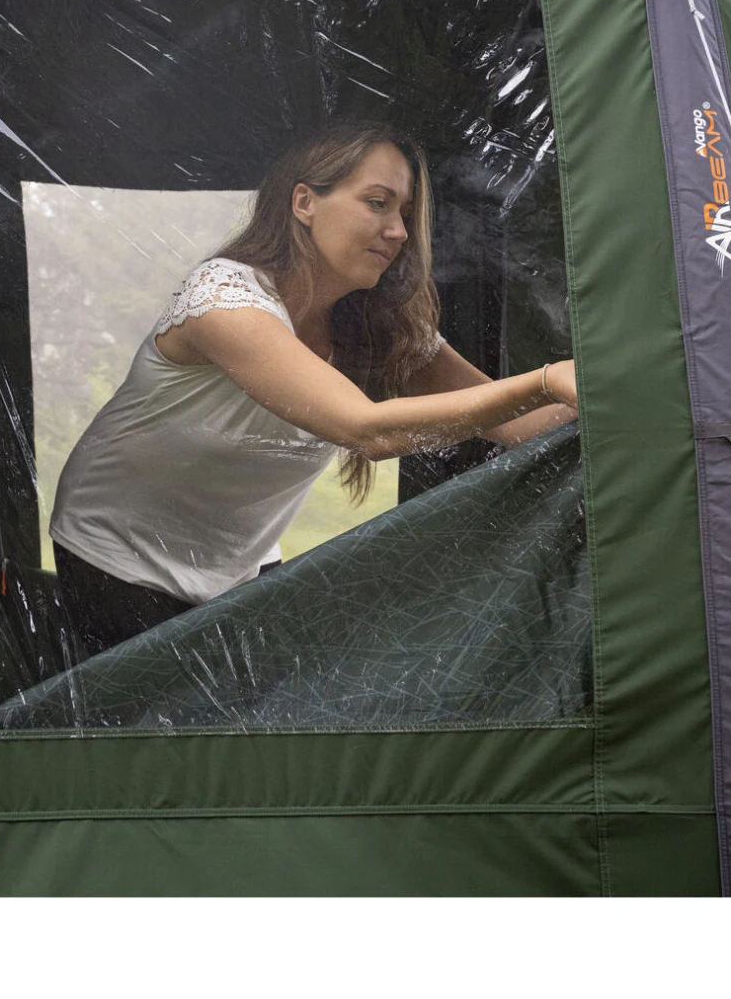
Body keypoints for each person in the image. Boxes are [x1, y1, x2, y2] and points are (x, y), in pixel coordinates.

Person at [47, 122, 579, 656]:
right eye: (377, 203)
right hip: (116, 553)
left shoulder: (380, 325)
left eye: (404, 213)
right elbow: (367, 431)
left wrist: (602, 383)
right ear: (304, 202)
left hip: (237, 571)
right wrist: (546, 378)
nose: (399, 231)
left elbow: (520, 423)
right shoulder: (223, 298)